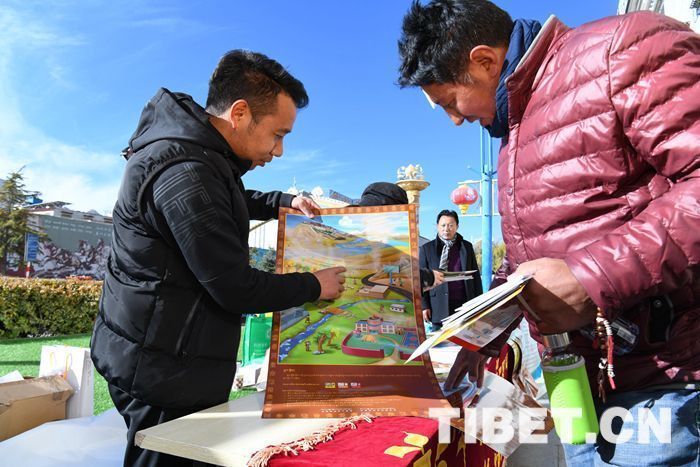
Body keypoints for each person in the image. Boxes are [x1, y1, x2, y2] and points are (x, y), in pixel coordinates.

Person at [398, 1, 700, 465]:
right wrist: (479, 337)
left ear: (483, 60)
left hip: (662, 377)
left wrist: (590, 277)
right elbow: (529, 260)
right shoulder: (514, 132)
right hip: (575, 382)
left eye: (449, 103)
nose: (454, 120)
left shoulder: (624, 50)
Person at [90, 50, 346, 467]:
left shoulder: (200, 157)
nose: (279, 150)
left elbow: (231, 198)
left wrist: (284, 200)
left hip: (170, 353)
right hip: (159, 368)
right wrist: (314, 284)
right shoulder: (185, 170)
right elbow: (233, 286)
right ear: (241, 113)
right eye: (278, 134)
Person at [419, 209, 482, 330]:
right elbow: (421, 280)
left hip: (464, 305)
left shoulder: (466, 247)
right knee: (440, 346)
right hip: (438, 306)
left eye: (451, 225)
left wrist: (478, 304)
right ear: (437, 226)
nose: (446, 229)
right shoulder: (426, 249)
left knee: (464, 343)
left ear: (457, 226)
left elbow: (476, 277)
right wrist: (424, 306)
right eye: (443, 225)